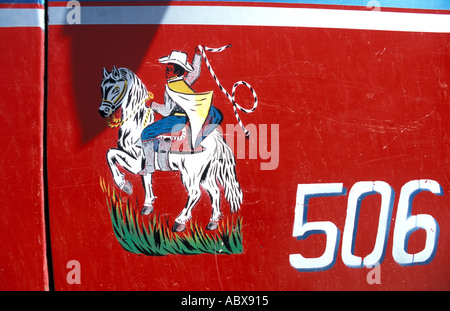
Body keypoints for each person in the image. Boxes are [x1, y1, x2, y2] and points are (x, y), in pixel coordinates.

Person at [140, 49, 223, 175]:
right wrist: (198, 55)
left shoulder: (171, 87)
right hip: (184, 119)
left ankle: (150, 165)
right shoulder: (183, 83)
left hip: (174, 120)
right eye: (166, 69)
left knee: (146, 133)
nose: (166, 72)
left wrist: (152, 105)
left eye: (169, 69)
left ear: (177, 71)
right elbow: (194, 73)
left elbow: (167, 111)